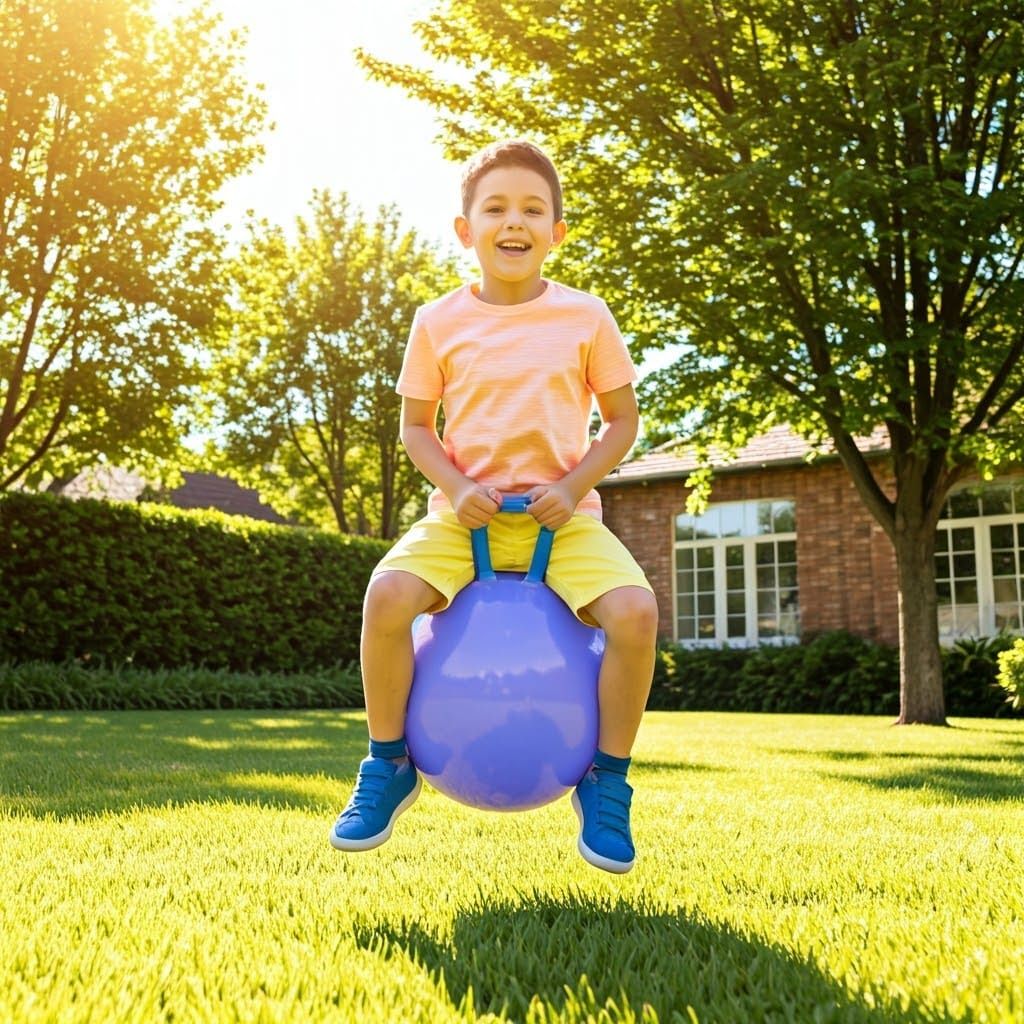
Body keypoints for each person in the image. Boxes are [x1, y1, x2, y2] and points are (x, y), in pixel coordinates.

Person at [329, 140, 658, 874]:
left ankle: (608, 779)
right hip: (462, 516)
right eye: (497, 208)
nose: (515, 222)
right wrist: (455, 488)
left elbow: (624, 421)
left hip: (563, 520)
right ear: (465, 229)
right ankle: (388, 764)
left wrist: (573, 488)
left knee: (636, 616)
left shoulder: (587, 316)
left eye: (533, 210)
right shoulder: (437, 321)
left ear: (557, 232)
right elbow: (416, 428)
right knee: (386, 598)